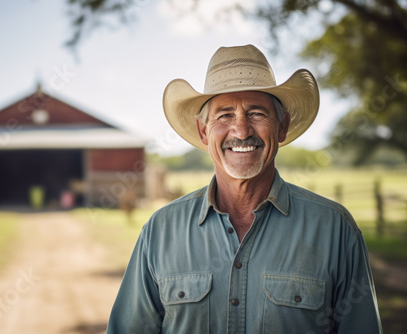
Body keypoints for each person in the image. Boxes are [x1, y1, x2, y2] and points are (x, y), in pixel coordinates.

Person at [106, 45, 383, 333]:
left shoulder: (334, 229)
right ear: (204, 132)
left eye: (256, 113)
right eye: (224, 115)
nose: (241, 130)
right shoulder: (160, 231)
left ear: (282, 127)